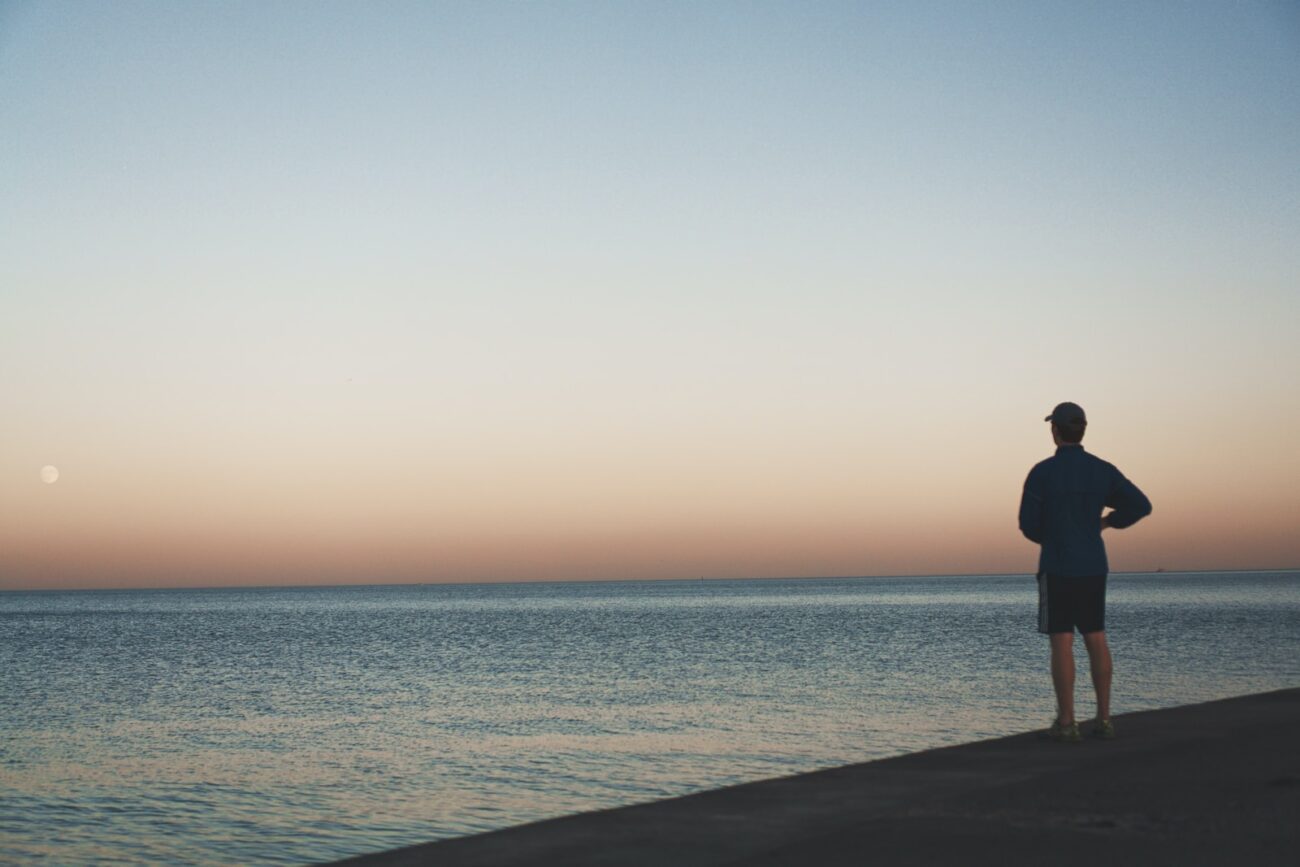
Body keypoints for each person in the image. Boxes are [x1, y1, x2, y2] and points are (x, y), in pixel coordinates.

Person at [1019, 402, 1151, 742]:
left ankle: (1067, 722)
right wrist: (1106, 521)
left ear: (1055, 430)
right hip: (1093, 564)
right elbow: (1140, 505)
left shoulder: (1042, 473)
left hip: (1058, 565)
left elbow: (1028, 525)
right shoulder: (1102, 470)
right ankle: (1104, 719)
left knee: (1061, 641)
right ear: (1082, 430)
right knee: (1096, 637)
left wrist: (1053, 535)